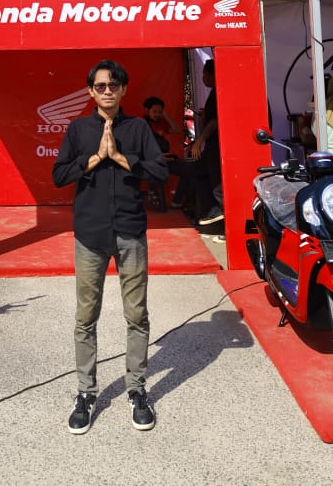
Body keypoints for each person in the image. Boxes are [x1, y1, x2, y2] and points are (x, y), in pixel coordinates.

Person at [53, 59, 168, 435]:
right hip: (90, 235)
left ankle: (136, 390)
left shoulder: (137, 128)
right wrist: (94, 160)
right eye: (100, 86)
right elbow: (58, 175)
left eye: (113, 85)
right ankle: (86, 393)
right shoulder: (77, 129)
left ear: (123, 90)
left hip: (131, 232)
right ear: (90, 91)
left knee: (137, 315)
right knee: (86, 317)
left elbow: (161, 172)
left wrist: (121, 158)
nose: (107, 91)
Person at [190, 59, 225, 227]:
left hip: (217, 146)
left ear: (213, 74)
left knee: (218, 183)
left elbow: (215, 122)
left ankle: (222, 215)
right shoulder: (214, 94)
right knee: (199, 172)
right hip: (213, 146)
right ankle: (212, 211)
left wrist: (199, 141)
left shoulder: (220, 92)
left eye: (205, 74)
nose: (203, 78)